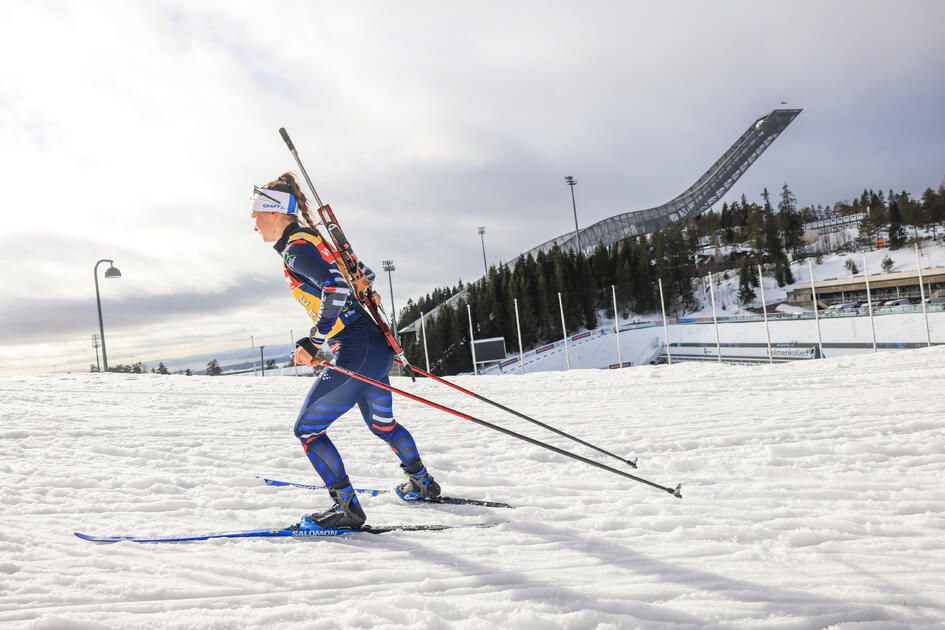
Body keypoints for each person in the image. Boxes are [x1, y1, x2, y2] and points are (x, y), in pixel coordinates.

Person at [250, 172, 440, 530]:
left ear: (275, 212)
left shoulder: (295, 251)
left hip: (354, 348)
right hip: (373, 346)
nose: (253, 224)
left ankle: (346, 509)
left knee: (307, 430)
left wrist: (314, 341)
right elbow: (361, 273)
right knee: (383, 425)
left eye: (256, 214)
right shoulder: (314, 241)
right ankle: (422, 484)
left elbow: (336, 288)